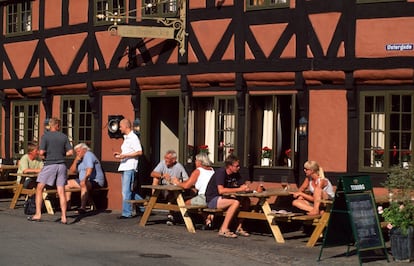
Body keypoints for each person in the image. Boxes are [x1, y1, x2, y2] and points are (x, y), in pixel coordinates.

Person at [28, 117, 74, 224]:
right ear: (57, 126)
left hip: (50, 164)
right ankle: (63, 217)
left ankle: (38, 214)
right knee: (61, 191)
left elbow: (41, 152)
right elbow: (71, 152)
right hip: (62, 165)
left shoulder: (45, 136)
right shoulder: (64, 136)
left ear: (50, 125)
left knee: (39, 188)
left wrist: (44, 154)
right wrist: (61, 154)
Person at [205, 154, 251, 238]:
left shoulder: (236, 174)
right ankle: (223, 229)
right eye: (236, 166)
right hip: (213, 199)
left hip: (225, 198)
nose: (238, 168)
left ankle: (239, 227)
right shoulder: (221, 173)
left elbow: (242, 185)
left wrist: (246, 188)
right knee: (235, 202)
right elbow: (221, 190)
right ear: (230, 166)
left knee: (246, 201)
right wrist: (240, 189)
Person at [113, 118, 144, 219]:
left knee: (126, 191)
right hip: (124, 166)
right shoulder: (126, 138)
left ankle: (127, 213)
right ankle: (144, 205)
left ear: (126, 126)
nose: (120, 128)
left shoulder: (133, 137)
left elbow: (139, 152)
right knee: (127, 191)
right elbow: (129, 152)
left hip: (130, 167)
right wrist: (120, 154)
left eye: (121, 126)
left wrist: (124, 156)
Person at [150, 149, 189, 225]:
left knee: (171, 192)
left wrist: (178, 181)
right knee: (155, 178)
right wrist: (162, 175)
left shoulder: (179, 167)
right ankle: (154, 197)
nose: (166, 160)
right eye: (165, 158)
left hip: (174, 188)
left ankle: (170, 215)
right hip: (163, 187)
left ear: (174, 160)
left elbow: (186, 180)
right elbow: (152, 173)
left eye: (168, 159)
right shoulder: (162, 163)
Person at [66, 143, 105, 213]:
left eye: (78, 151)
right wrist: (76, 160)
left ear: (84, 150)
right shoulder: (80, 159)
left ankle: (82, 208)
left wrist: (85, 179)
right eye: (76, 152)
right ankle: (67, 206)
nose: (77, 153)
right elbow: (72, 170)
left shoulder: (88, 155)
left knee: (84, 183)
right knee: (67, 184)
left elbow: (89, 170)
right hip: (83, 180)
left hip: (95, 181)